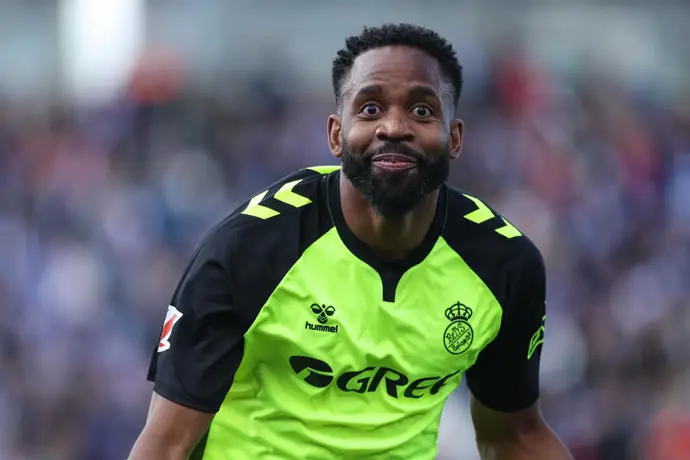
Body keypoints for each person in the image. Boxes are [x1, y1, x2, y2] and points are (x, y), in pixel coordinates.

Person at [128, 23, 572, 460]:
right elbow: (166, 444)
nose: (393, 127)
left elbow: (514, 435)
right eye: (370, 109)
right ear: (336, 135)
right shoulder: (248, 251)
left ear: (454, 138)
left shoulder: (503, 264)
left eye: (422, 111)